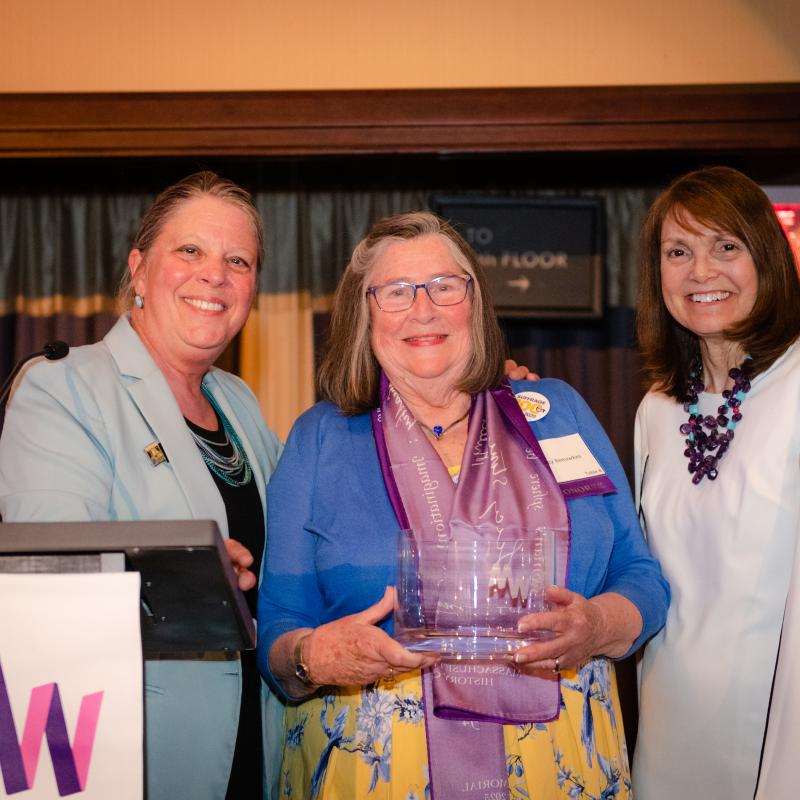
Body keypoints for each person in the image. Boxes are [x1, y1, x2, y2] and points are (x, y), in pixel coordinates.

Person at [258, 211, 669, 800]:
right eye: (396, 291)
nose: (423, 310)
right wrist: (318, 658)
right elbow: (278, 628)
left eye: (445, 286)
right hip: (374, 771)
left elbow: (641, 577)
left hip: (562, 764)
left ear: (474, 301)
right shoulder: (319, 439)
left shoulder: (554, 412)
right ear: (364, 312)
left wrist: (597, 624)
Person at [0, 171, 284, 800]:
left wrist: (467, 397)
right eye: (190, 251)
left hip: (252, 752)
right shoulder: (64, 388)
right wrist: (193, 572)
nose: (215, 274)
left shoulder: (239, 403)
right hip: (131, 753)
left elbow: (312, 514)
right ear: (138, 269)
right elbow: (46, 582)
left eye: (237, 260)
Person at [631, 166, 800, 799]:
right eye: (679, 252)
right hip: (671, 726)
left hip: (778, 729)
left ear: (767, 259)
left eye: (725, 246)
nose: (701, 272)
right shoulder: (656, 411)